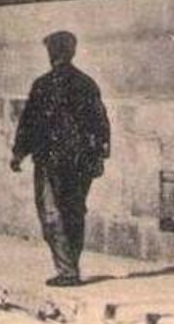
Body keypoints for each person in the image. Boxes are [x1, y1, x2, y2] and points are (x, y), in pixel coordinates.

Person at [11, 30, 111, 288]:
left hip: (51, 161)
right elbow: (101, 123)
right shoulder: (86, 83)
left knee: (52, 213)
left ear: (52, 53)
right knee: (74, 212)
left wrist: (18, 153)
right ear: (72, 52)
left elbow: (28, 123)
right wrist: (100, 154)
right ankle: (70, 267)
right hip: (80, 162)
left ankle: (68, 270)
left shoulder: (43, 85)